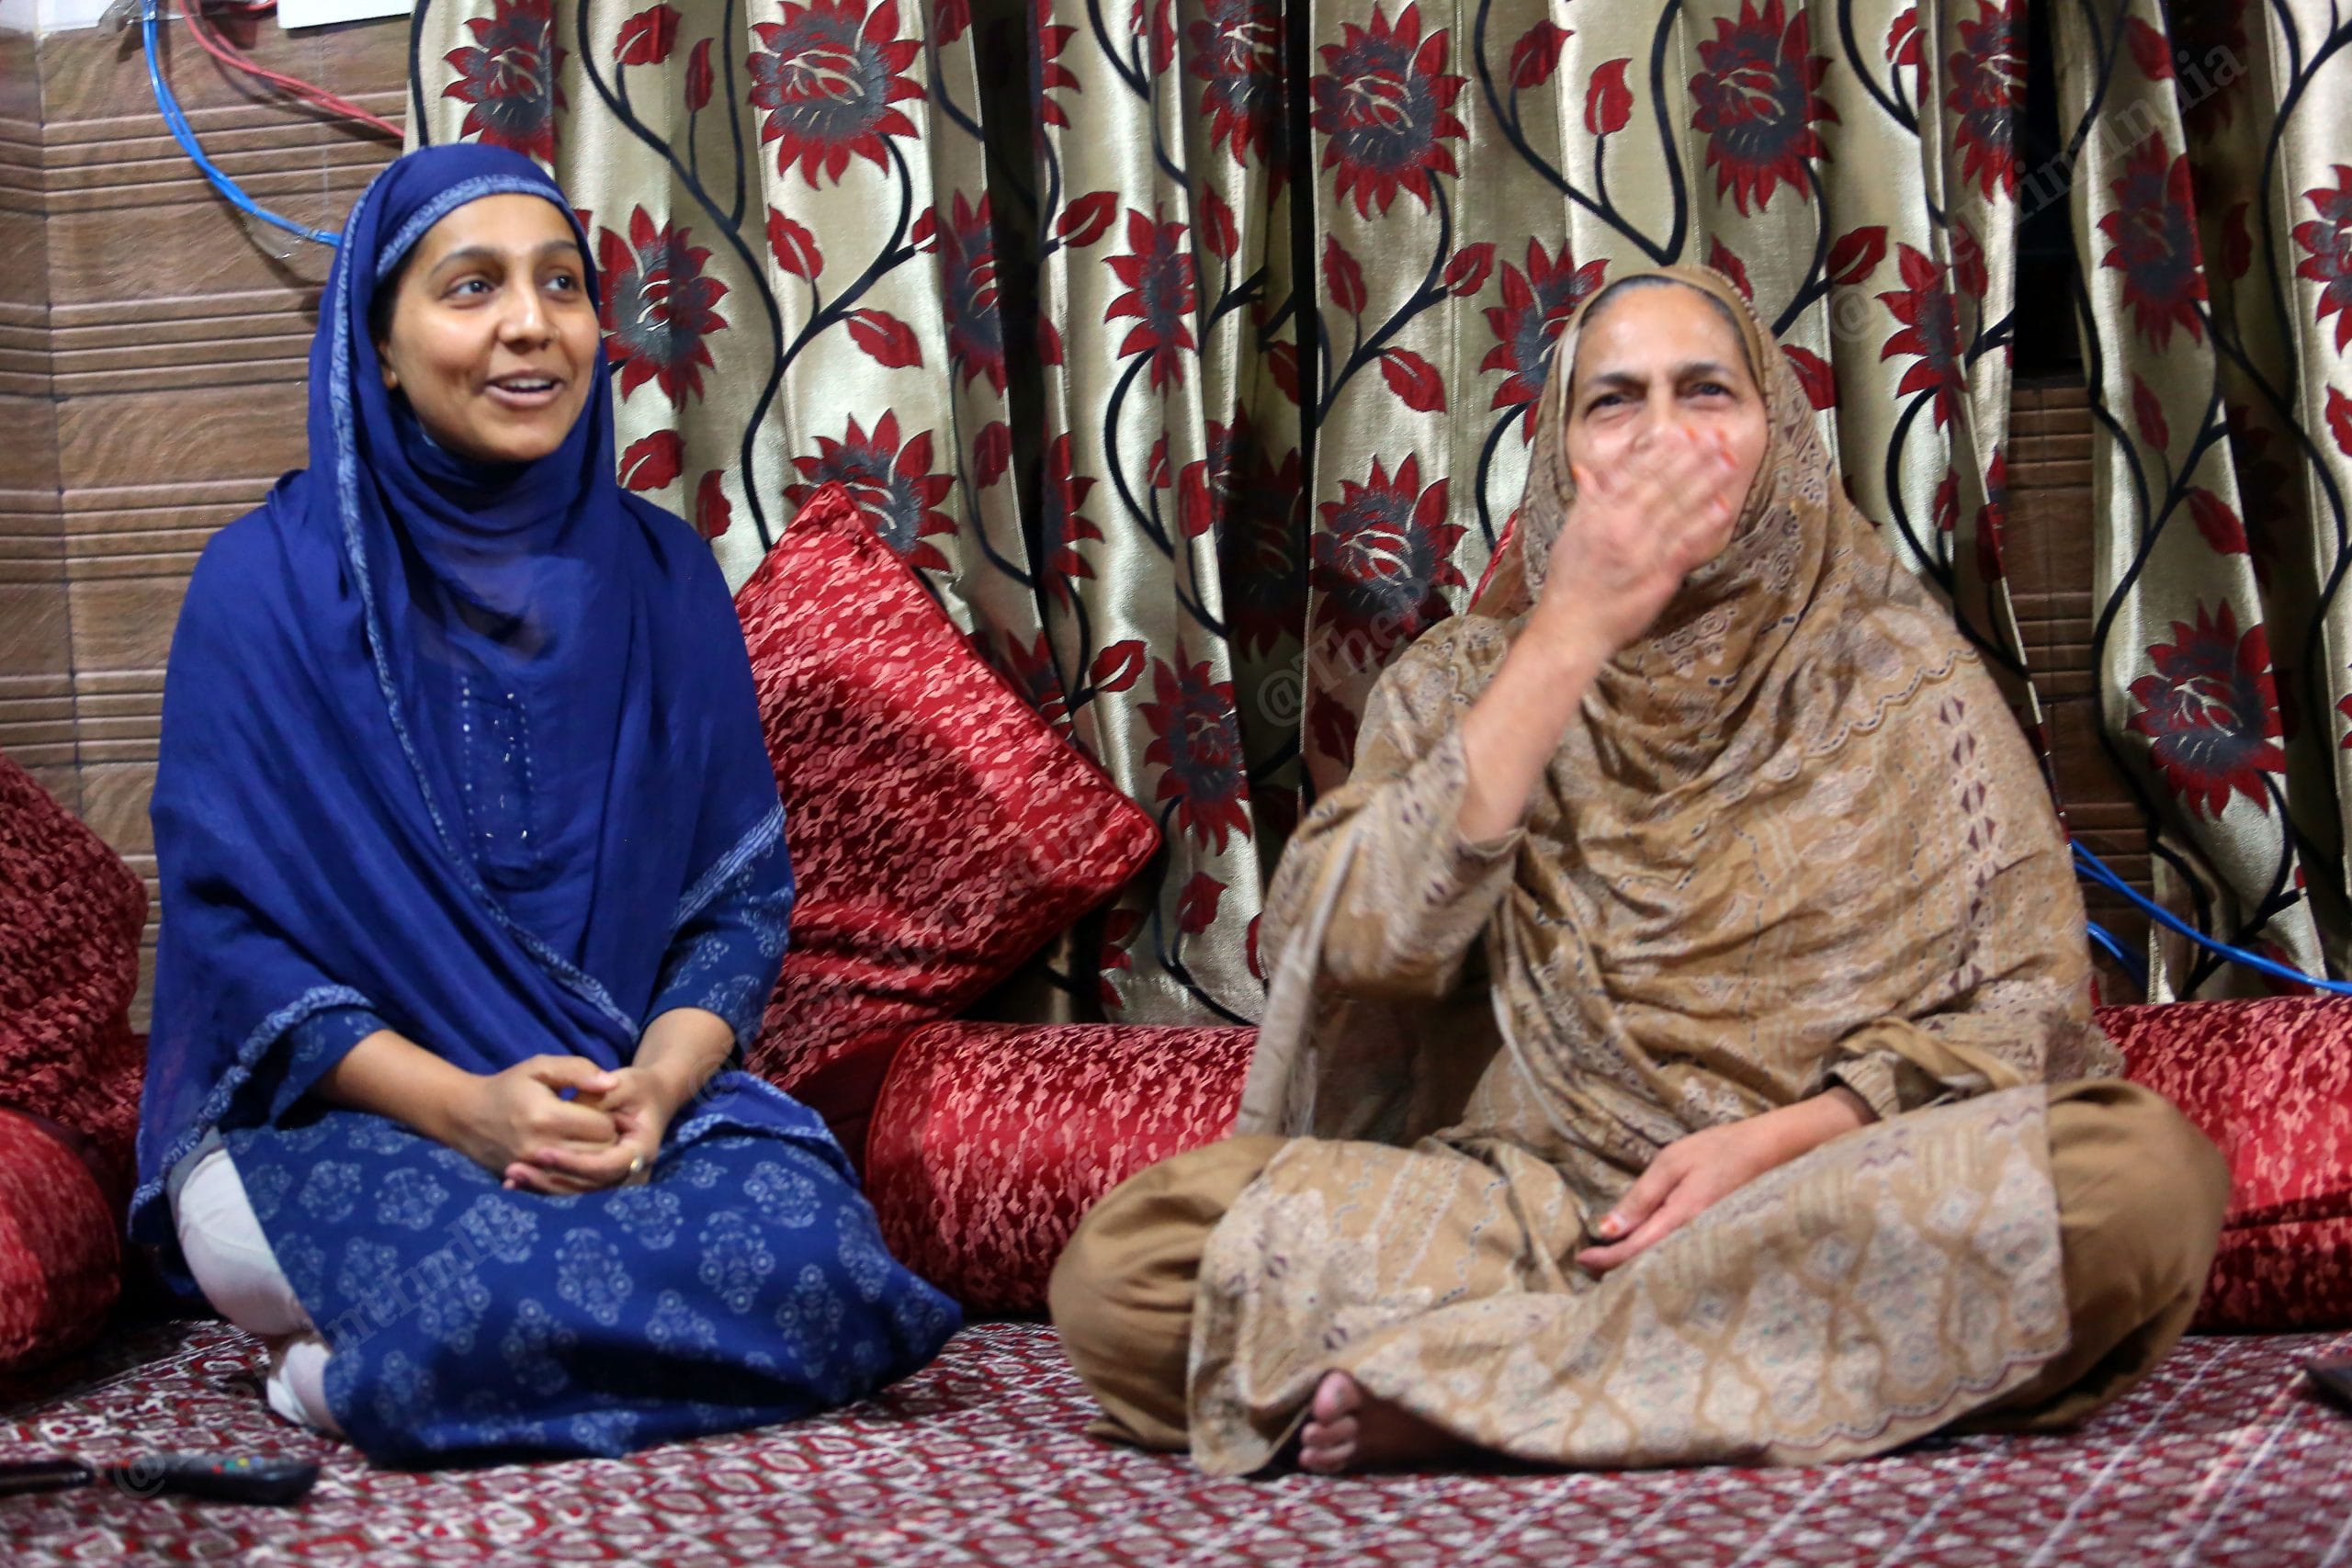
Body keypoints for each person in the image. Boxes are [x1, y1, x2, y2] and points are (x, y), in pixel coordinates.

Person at [1049, 265, 2229, 1477]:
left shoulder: (1903, 681)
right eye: (1614, 402)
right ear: (1561, 452)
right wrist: (1567, 638)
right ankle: (1662, 1378)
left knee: (2138, 1180)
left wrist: (1783, 1145)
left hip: (1817, 1197)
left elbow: (2032, 1018)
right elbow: (1360, 944)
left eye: (1706, 391)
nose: (1663, 435)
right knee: (1132, 1273)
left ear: (1778, 435)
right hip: (1528, 1219)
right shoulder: (1466, 680)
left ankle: (1480, 1395)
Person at [130, 144, 958, 1467]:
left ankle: (401, 1381)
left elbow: (736, 904)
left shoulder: (662, 576)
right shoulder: (261, 589)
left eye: (562, 284)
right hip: (346, 1122)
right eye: (470, 287)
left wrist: (654, 1089)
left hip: (614, 1110)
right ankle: (365, 1377)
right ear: (382, 348)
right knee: (479, 1288)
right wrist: (463, 1107)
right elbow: (233, 949)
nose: (530, 323)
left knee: (830, 1266)